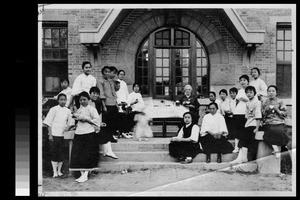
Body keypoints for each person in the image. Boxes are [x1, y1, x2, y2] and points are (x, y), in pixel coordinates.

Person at [69, 91, 101, 183]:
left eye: (84, 99)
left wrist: (86, 119)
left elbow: (96, 121)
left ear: (88, 99)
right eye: (81, 100)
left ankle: (86, 174)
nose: (82, 101)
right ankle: (82, 174)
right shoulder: (79, 109)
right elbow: (76, 120)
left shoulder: (92, 109)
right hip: (79, 133)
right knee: (79, 154)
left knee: (87, 154)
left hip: (88, 133)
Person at [43, 93, 75, 178]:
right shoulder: (53, 109)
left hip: (63, 135)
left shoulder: (67, 111)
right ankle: (54, 171)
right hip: (54, 134)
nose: (63, 101)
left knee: (61, 153)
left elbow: (71, 122)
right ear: (58, 100)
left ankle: (59, 171)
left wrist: (67, 128)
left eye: (64, 99)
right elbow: (48, 122)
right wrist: (50, 134)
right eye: (61, 99)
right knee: (54, 153)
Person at [230, 86, 261, 164]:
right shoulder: (247, 103)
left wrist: (257, 128)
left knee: (245, 139)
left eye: (251, 92)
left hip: (255, 124)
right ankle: (242, 158)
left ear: (254, 93)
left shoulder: (257, 102)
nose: (249, 94)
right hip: (248, 123)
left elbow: (258, 115)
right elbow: (247, 115)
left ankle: (243, 158)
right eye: (247, 92)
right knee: (243, 138)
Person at [261, 85, 290, 159]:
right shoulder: (265, 102)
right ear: (267, 92)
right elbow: (262, 114)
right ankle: (276, 149)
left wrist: (277, 110)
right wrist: (265, 110)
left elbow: (285, 114)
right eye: (269, 91)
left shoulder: (280, 101)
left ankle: (281, 148)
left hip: (279, 121)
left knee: (281, 131)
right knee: (270, 130)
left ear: (276, 92)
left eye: (273, 91)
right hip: (268, 122)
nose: (271, 93)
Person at [97, 66, 119, 159]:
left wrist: (116, 103)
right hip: (106, 104)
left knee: (112, 122)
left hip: (113, 103)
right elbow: (101, 94)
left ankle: (111, 136)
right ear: (102, 73)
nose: (107, 73)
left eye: (109, 72)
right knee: (106, 123)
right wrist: (104, 106)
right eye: (105, 72)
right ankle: (107, 139)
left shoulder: (110, 81)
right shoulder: (100, 81)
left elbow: (114, 92)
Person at [232, 75, 249, 153]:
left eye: (244, 80)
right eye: (241, 80)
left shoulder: (250, 90)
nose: (242, 82)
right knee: (237, 131)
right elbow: (237, 101)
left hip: (246, 113)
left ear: (247, 81)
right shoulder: (240, 91)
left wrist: (243, 99)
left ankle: (242, 148)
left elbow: (251, 100)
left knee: (244, 131)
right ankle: (236, 147)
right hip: (238, 112)